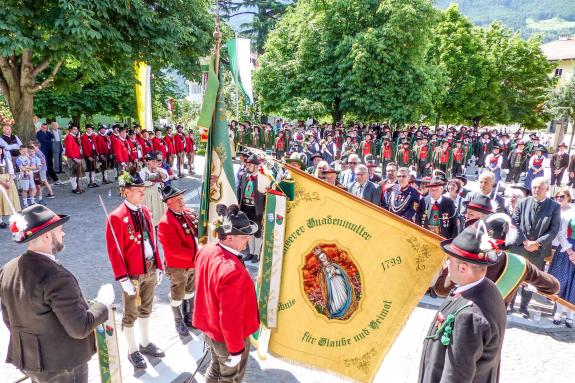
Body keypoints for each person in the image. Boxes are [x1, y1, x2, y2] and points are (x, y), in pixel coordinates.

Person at [0, 205, 113, 383]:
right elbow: (80, 327)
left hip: (31, 361)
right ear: (46, 236)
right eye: (59, 230)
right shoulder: (56, 277)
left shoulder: (7, 269)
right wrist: (103, 302)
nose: (63, 234)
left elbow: (9, 320)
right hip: (63, 366)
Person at [418, 220, 507, 383]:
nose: (446, 264)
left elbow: (456, 376)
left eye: (449, 260)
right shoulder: (487, 288)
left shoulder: (469, 316)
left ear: (463, 268)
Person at [192, 205, 260, 383]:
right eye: (244, 236)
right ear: (229, 237)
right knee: (231, 378)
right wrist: (236, 349)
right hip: (227, 337)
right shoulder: (231, 271)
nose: (248, 239)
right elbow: (230, 315)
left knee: (215, 368)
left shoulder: (206, 250)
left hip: (211, 328)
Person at [105, 170, 165, 369]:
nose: (142, 193)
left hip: (150, 267)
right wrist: (123, 279)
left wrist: (159, 264)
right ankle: (132, 351)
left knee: (146, 308)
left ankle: (145, 342)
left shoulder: (145, 211)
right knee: (130, 313)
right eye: (138, 190)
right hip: (133, 274)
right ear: (126, 192)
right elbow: (115, 252)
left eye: (143, 190)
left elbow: (153, 240)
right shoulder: (116, 217)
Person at [433, 214, 560, 307]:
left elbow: (440, 290)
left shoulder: (462, 256)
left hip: (460, 318)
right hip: (494, 325)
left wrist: (449, 273)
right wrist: (522, 279)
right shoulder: (520, 264)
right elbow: (553, 287)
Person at [511, 177, 561, 318]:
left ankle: (523, 307)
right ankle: (509, 303)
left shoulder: (554, 207)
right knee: (515, 276)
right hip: (520, 248)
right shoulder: (522, 203)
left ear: (546, 189)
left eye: (539, 187)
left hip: (538, 251)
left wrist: (537, 243)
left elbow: (554, 229)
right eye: (534, 187)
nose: (536, 190)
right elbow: (514, 222)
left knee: (531, 279)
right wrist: (525, 242)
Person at [157, 185, 198, 337]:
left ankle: (189, 316)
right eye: (178, 200)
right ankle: (178, 320)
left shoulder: (186, 213)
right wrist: (197, 255)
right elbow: (176, 250)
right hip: (178, 267)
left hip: (192, 263)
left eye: (182, 199)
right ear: (169, 203)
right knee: (177, 294)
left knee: (190, 290)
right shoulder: (165, 222)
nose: (182, 203)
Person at [549, 187, 575, 327]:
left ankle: (571, 314)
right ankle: (558, 312)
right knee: (563, 281)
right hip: (567, 249)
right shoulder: (571, 213)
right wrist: (570, 252)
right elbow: (561, 233)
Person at [237, 154, 266, 263]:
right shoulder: (244, 175)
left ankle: (256, 254)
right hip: (245, 207)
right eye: (247, 164)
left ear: (255, 165)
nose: (247, 166)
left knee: (257, 231)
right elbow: (239, 190)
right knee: (249, 231)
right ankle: (250, 252)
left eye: (249, 164)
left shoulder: (262, 177)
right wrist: (238, 205)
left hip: (256, 208)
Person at [139, 151, 169, 226]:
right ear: (148, 161)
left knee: (160, 213)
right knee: (150, 215)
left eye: (156, 162)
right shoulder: (142, 172)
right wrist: (149, 183)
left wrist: (159, 171)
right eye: (153, 161)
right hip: (148, 195)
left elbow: (166, 178)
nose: (155, 163)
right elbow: (139, 184)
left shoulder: (161, 170)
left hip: (159, 195)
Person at [0, 146, 20, 227]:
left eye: (0, 149)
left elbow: (12, 172)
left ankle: (12, 220)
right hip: (1, 182)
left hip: (9, 181)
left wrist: (10, 182)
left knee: (11, 199)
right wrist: (4, 183)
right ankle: (0, 221)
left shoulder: (7, 160)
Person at [63, 124, 85, 194]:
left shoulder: (74, 137)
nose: (76, 130)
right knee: (73, 173)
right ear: (70, 130)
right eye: (74, 129)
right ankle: (74, 188)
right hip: (72, 158)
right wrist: (75, 158)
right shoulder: (69, 137)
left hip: (77, 157)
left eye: (76, 129)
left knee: (77, 173)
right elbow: (69, 149)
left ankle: (77, 186)